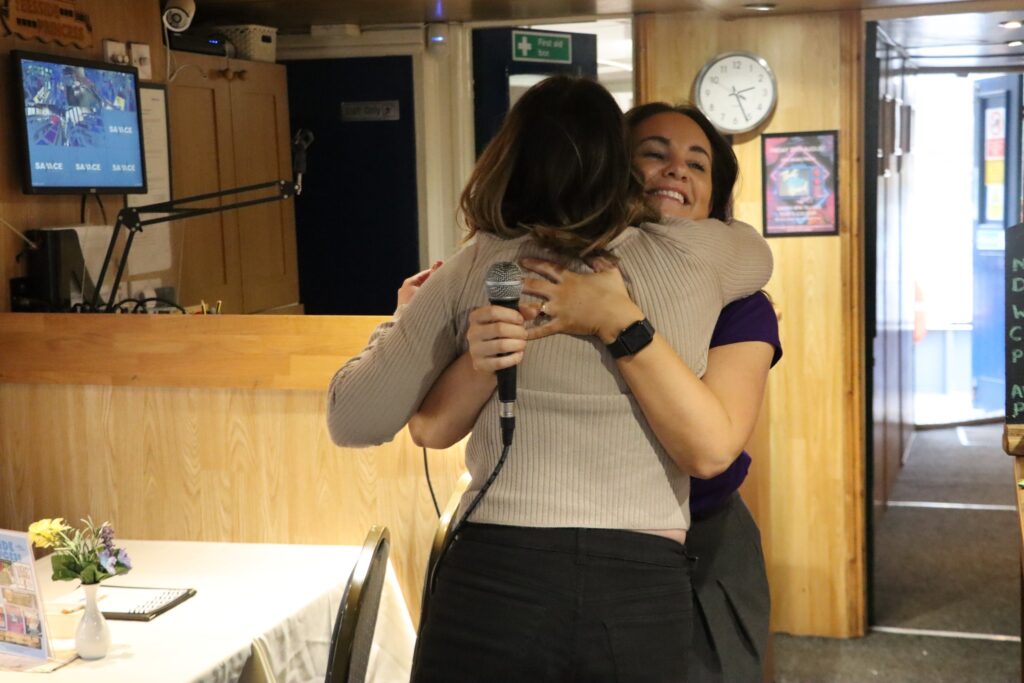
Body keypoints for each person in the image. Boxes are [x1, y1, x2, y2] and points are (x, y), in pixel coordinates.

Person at [326, 76, 773, 682]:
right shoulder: (703, 259)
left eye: (695, 162)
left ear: (503, 161)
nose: (675, 174)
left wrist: (406, 315)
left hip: (496, 567)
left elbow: (354, 420)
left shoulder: (478, 264)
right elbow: (757, 252)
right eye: (654, 154)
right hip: (643, 569)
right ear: (618, 167)